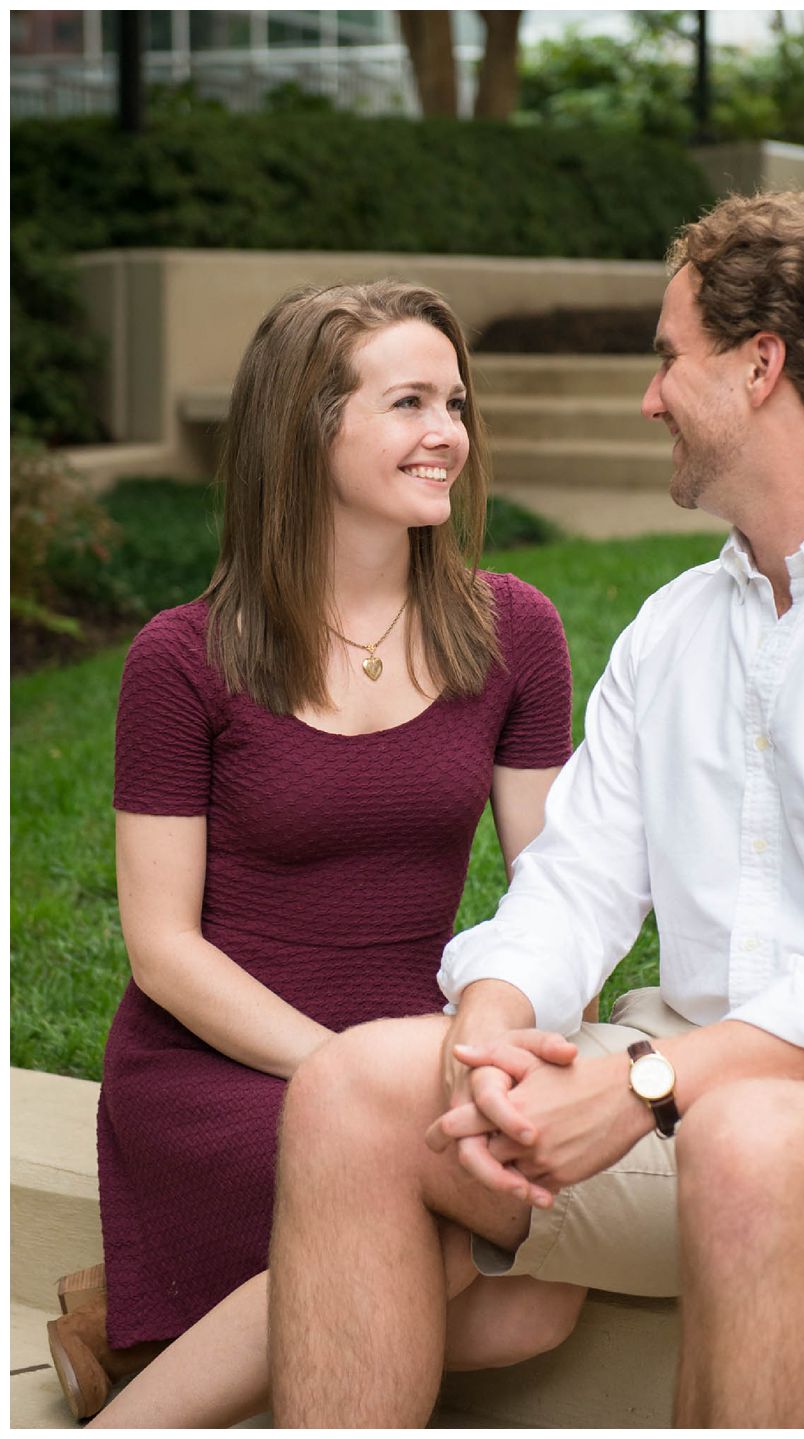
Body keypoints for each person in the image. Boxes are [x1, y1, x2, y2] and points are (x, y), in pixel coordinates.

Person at [260, 187, 804, 1427]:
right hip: (684, 1098)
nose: (650, 394)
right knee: (353, 1085)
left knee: (754, 1144)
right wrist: (495, 1029)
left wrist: (656, 1082)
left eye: (670, 357)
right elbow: (573, 880)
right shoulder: (673, 630)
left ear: (760, 365)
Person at [50, 281, 583, 1425]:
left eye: (455, 401)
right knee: (444, 1245)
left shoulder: (516, 631)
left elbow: (556, 883)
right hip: (221, 1058)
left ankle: (157, 1328)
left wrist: (475, 1049)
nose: (447, 433)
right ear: (307, 425)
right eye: (407, 402)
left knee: (544, 1298)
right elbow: (161, 948)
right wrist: (341, 1075)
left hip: (412, 1046)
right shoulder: (181, 657)